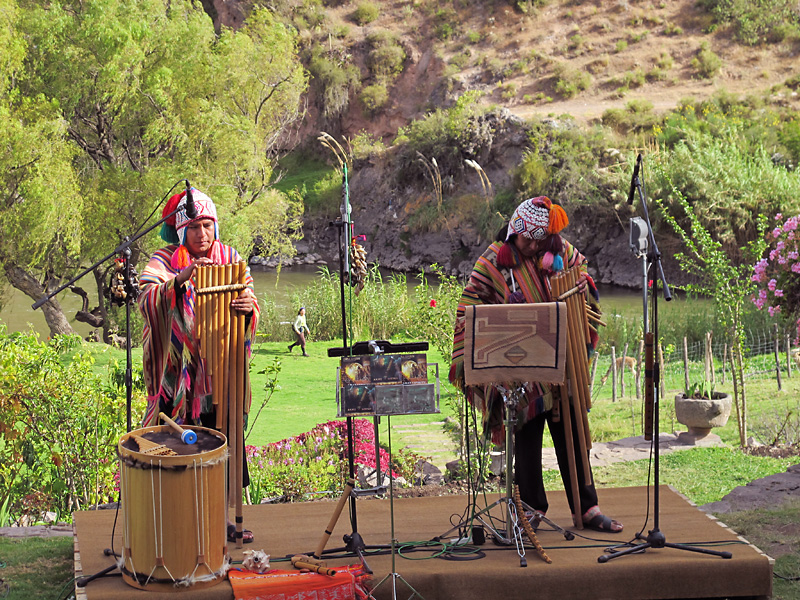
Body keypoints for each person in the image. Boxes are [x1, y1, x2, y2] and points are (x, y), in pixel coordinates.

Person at [449, 196, 622, 533]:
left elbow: (586, 290)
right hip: (521, 367)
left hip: (563, 359)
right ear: (514, 231)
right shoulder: (492, 263)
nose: (530, 245)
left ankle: (587, 508)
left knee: (571, 432)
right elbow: (468, 310)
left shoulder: (562, 254)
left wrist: (578, 291)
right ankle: (531, 508)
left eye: (536, 240)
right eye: (525, 239)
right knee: (526, 439)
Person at [138, 186, 259, 543]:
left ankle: (221, 522)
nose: (202, 234)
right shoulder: (162, 260)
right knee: (177, 449)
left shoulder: (230, 258)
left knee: (221, 444)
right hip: (175, 380)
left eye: (207, 225)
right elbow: (147, 301)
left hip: (216, 378)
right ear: (181, 231)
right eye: (194, 227)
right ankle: (176, 524)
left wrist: (247, 307)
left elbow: (250, 301)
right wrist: (180, 278)